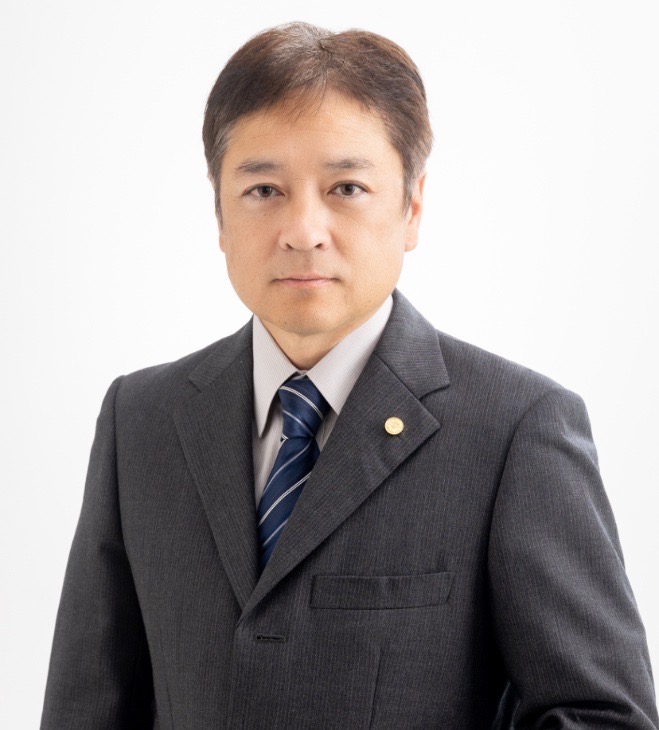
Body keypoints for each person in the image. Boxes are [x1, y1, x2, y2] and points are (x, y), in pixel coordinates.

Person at [41, 21, 658, 729]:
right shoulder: (141, 419)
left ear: (411, 208)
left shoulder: (514, 428)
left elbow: (601, 715)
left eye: (346, 187)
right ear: (219, 214)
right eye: (264, 189)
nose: (303, 230)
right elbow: (85, 708)